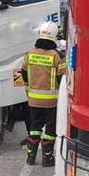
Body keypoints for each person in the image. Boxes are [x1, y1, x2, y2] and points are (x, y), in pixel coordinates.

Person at [19, 21, 67, 167]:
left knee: (34, 128)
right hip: (52, 101)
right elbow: (62, 78)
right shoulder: (57, 56)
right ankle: (47, 158)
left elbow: (24, 73)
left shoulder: (29, 54)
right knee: (50, 130)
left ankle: (31, 157)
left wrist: (29, 89)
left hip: (33, 100)